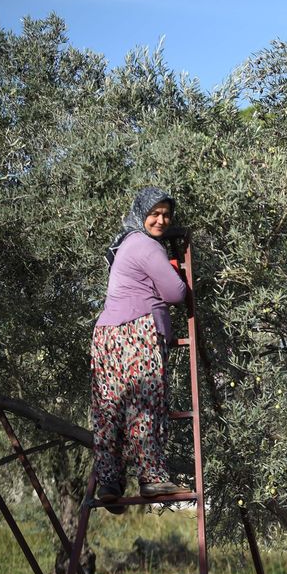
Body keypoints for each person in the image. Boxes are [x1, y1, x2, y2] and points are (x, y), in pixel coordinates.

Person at [92, 187, 191, 512]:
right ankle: (152, 478)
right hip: (138, 332)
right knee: (145, 404)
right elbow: (175, 293)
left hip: (106, 336)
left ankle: (110, 482)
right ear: (141, 213)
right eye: (155, 214)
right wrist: (179, 277)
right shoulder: (146, 245)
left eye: (166, 215)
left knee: (109, 409)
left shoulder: (125, 243)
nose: (161, 220)